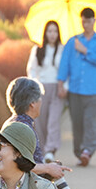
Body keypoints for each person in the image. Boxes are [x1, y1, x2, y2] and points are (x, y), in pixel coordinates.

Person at [4, 77, 84, 189]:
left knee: (54, 167)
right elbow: (18, 164)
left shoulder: (13, 122)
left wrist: (50, 167)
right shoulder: (22, 127)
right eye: (40, 98)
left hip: (21, 186)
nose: (42, 102)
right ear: (32, 104)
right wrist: (47, 168)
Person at [56, 7, 96, 168]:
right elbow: (64, 64)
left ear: (94, 21)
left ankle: (88, 150)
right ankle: (80, 152)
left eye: (88, 21)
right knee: (77, 123)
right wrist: (61, 84)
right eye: (83, 21)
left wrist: (85, 51)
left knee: (90, 122)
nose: (86, 24)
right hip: (75, 91)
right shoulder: (72, 42)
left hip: (94, 90)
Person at [27, 21, 64, 160]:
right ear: (45, 33)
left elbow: (67, 70)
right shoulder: (37, 50)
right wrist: (34, 85)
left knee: (53, 120)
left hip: (57, 88)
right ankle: (41, 152)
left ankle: (50, 150)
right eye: (49, 31)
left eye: (55, 31)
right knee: (40, 122)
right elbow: (31, 69)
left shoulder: (62, 49)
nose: (52, 34)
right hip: (40, 89)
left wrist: (64, 87)